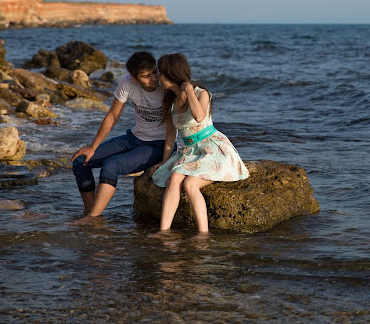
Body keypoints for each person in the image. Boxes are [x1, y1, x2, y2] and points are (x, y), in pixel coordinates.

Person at [149, 53, 249, 233]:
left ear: (172, 74)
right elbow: (170, 138)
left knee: (190, 184)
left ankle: (203, 234)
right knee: (174, 178)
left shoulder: (201, 94)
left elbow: (199, 116)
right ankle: (164, 231)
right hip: (190, 152)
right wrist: (164, 162)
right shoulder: (170, 102)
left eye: (160, 73)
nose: (158, 77)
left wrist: (188, 90)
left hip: (212, 148)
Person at [71, 51, 171, 222]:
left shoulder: (166, 87)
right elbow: (112, 116)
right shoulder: (126, 82)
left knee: (111, 166)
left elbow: (173, 128)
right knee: (80, 161)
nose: (153, 78)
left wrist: (166, 159)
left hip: (158, 145)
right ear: (134, 78)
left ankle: (93, 219)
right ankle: (90, 211)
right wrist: (93, 147)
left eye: (154, 72)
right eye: (146, 76)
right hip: (134, 138)